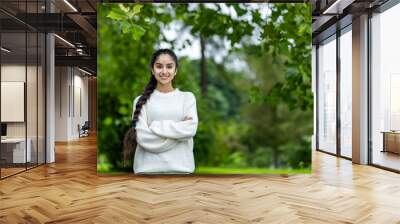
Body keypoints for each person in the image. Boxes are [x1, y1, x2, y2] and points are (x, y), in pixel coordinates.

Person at [123, 49, 198, 174]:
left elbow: (190, 130)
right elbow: (142, 137)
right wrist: (178, 134)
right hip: (146, 172)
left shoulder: (187, 98)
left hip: (181, 171)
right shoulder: (140, 101)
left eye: (169, 67)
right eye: (159, 66)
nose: (164, 71)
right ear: (152, 70)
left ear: (176, 70)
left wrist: (156, 126)